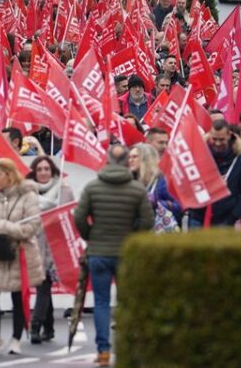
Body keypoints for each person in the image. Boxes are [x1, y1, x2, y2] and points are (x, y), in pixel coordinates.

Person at [74, 151, 154, 367]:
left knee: (101, 302)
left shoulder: (93, 187)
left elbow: (79, 217)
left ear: (108, 160)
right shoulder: (136, 189)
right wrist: (133, 234)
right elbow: (148, 220)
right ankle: (129, 347)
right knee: (127, 301)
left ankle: (103, 351)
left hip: (99, 252)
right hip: (126, 252)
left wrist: (90, 235)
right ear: (127, 161)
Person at [0, 159, 44, 356]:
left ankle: (16, 338)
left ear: (9, 174)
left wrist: (7, 228)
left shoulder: (28, 196)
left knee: (18, 295)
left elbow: (32, 226)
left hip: (19, 252)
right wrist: (4, 227)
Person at [27, 156, 72, 344]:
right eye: (40, 169)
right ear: (34, 172)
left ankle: (36, 327)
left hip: (55, 246)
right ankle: (49, 327)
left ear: (53, 171)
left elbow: (70, 217)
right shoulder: (27, 193)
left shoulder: (65, 191)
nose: (44, 173)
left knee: (43, 286)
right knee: (42, 286)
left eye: (47, 169)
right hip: (35, 244)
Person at [186, 121, 241, 227]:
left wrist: (233, 217)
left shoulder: (240, 160)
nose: (217, 143)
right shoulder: (199, 156)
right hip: (198, 217)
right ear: (210, 136)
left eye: (221, 139)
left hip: (225, 220)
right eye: (214, 139)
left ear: (229, 135)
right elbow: (189, 185)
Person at [127, 144, 182, 233]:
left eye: (134, 157)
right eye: (129, 157)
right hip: (136, 232)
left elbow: (179, 207)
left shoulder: (162, 181)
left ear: (146, 159)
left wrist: (158, 203)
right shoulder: (129, 181)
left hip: (158, 234)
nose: (130, 160)